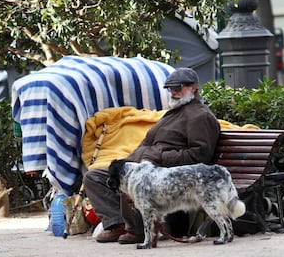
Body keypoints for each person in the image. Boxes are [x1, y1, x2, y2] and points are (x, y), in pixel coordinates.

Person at [83, 67, 220, 244]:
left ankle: (138, 230)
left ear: (193, 88)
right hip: (145, 165)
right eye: (170, 89)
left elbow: (199, 156)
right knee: (94, 177)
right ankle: (116, 224)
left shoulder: (200, 116)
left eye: (177, 88)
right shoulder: (175, 112)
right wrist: (129, 161)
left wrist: (159, 157)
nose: (173, 92)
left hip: (164, 172)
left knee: (133, 181)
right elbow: (147, 143)